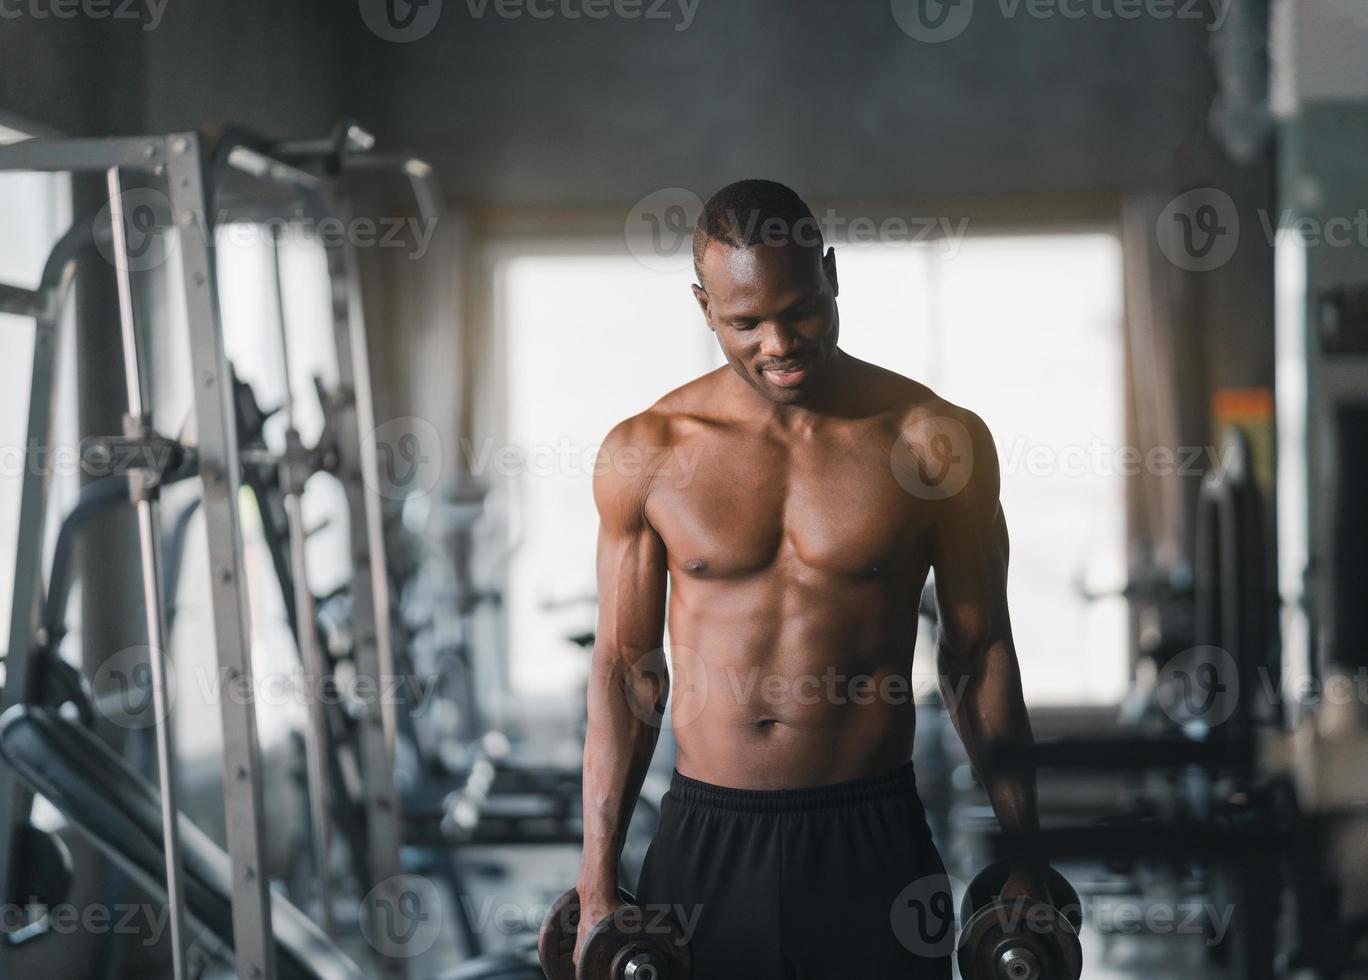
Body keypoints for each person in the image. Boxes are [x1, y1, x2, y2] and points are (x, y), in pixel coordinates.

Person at [575, 179, 1047, 978]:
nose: (779, 343)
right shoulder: (647, 452)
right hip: (706, 837)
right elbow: (627, 671)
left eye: (800, 309)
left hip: (873, 835)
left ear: (831, 272)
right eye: (744, 322)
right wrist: (595, 882)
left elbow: (978, 654)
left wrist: (1027, 856)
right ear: (702, 307)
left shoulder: (934, 442)